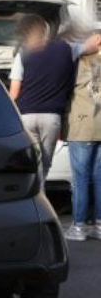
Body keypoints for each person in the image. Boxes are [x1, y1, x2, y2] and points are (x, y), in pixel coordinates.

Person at [8, 15, 100, 185]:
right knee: (44, 165)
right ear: (46, 31)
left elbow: (13, 94)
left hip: (26, 117)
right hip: (52, 119)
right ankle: (39, 197)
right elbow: (91, 46)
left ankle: (35, 200)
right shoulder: (66, 49)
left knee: (33, 164)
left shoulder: (22, 54)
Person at [63, 34, 101, 241]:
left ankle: (78, 226)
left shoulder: (79, 63)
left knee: (80, 179)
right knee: (99, 177)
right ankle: (98, 224)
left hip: (82, 123)